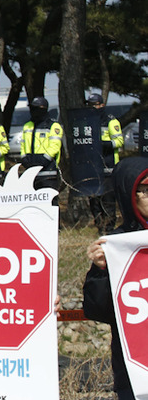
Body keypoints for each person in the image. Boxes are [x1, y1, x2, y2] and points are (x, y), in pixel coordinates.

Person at [83, 157, 148, 400]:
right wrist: (100, 271)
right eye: (144, 191)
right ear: (129, 195)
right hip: (135, 372)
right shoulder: (118, 244)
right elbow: (96, 310)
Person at [88, 93, 125, 231]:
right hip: (92, 168)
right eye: (90, 105)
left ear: (102, 105)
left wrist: (103, 144)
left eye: (95, 104)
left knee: (108, 201)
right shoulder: (87, 121)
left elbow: (119, 141)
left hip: (108, 168)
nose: (92, 107)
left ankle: (109, 229)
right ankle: (99, 228)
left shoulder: (111, 121)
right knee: (94, 202)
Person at [20, 96, 63, 190]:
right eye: (31, 108)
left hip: (48, 172)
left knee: (50, 202)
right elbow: (23, 145)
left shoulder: (53, 126)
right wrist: (24, 158)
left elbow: (54, 146)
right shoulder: (27, 125)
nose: (32, 111)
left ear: (43, 109)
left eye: (35, 108)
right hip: (30, 172)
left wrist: (43, 160)